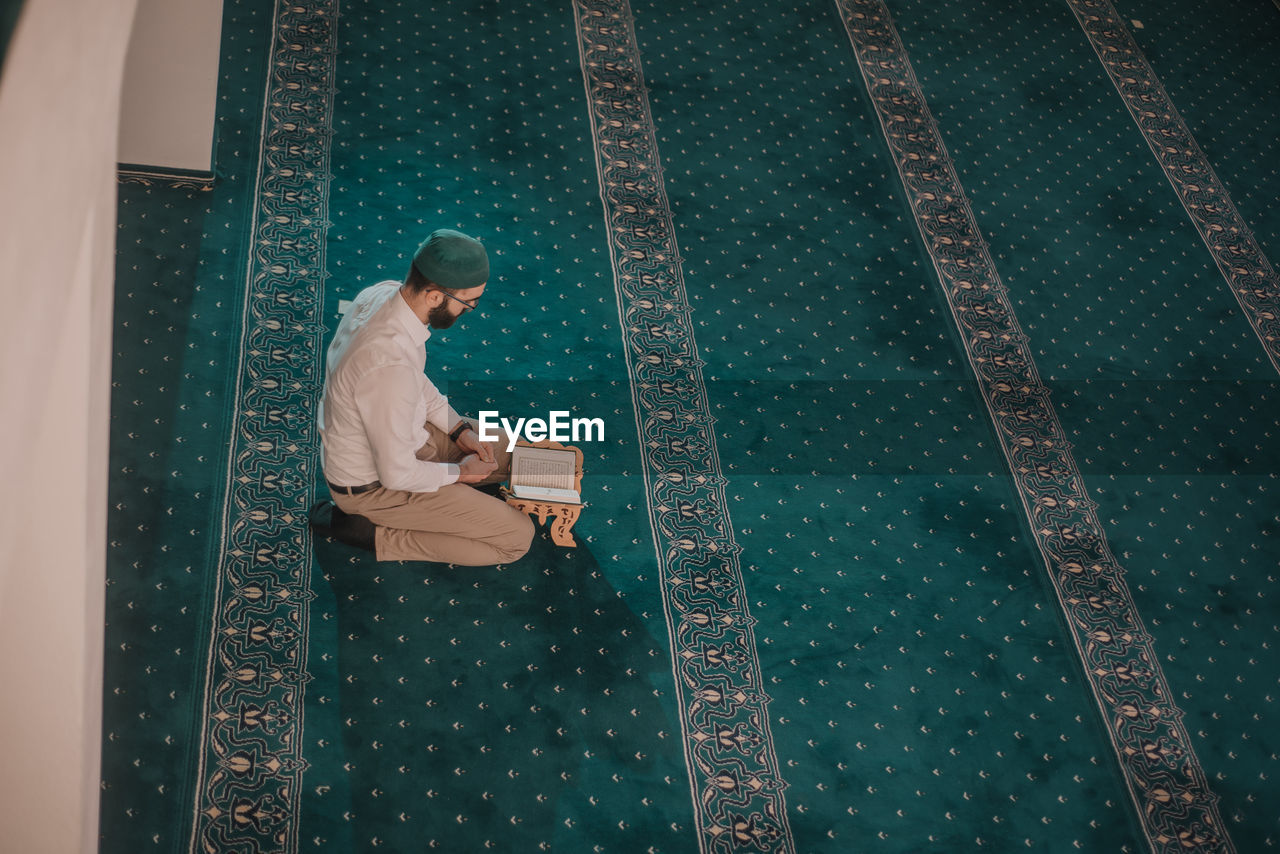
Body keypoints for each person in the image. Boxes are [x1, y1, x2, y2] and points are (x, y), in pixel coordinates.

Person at [309, 228, 534, 565]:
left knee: (530, 456)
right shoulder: (386, 365)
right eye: (468, 304)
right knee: (517, 538)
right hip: (374, 489)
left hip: (412, 439)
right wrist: (460, 473)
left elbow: (415, 382)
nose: (469, 312)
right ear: (434, 296)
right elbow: (397, 474)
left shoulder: (383, 294)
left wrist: (461, 431)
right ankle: (375, 534)